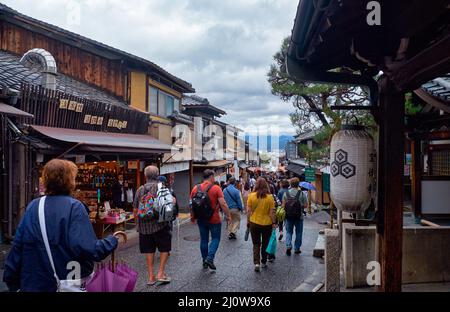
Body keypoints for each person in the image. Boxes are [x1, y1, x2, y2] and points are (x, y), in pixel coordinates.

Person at [3, 159, 118, 292]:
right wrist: (112, 241)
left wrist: (12, 280)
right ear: (70, 181)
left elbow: (18, 246)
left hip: (34, 283)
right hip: (66, 280)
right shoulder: (74, 207)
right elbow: (89, 249)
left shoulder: (34, 206)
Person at [133, 166, 172, 285]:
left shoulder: (140, 189)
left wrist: (137, 224)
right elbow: (168, 207)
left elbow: (135, 208)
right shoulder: (162, 188)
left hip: (144, 227)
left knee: (149, 250)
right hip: (160, 225)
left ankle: (151, 277)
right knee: (164, 248)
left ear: (146, 176)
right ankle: (160, 272)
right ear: (157, 175)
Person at [190, 169, 231, 271]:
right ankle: (210, 258)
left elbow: (191, 205)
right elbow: (223, 203)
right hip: (214, 219)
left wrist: (192, 217)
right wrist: (228, 216)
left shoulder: (195, 188)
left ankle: (204, 261)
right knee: (215, 238)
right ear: (212, 177)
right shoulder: (216, 188)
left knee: (203, 239)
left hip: (201, 218)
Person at [246, 178, 276, 272]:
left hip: (254, 223)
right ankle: (263, 261)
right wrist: (274, 223)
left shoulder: (251, 196)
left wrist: (248, 221)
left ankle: (256, 263)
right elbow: (272, 213)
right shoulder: (270, 197)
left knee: (256, 244)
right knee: (265, 243)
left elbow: (248, 211)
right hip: (266, 224)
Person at [282, 178, 307, 256]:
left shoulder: (286, 193)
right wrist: (300, 205)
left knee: (289, 232)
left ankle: (288, 245)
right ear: (298, 184)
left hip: (288, 216)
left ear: (291, 184)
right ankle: (297, 249)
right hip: (299, 216)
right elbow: (306, 205)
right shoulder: (302, 193)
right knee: (299, 233)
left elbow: (283, 205)